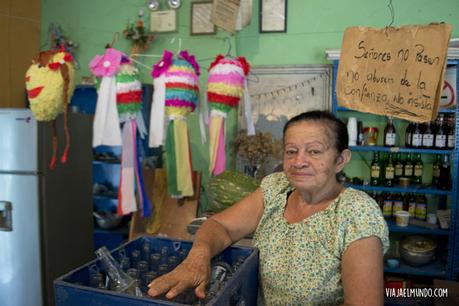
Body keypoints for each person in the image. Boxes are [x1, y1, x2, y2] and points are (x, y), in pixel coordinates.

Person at [148, 110, 389, 305]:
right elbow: (221, 225)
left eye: (314, 151)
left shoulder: (356, 212)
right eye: (291, 151)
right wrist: (197, 257)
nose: (299, 161)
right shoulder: (276, 188)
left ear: (340, 160)